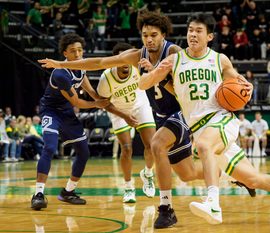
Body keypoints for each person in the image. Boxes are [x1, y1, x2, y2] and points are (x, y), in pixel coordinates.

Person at [38, 12, 217, 228]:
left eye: (154, 35)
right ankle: (225, 170)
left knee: (156, 144)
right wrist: (60, 64)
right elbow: (100, 62)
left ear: (163, 35)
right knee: (187, 174)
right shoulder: (137, 55)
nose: (149, 40)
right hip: (161, 116)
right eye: (144, 35)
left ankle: (166, 209)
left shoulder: (174, 52)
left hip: (181, 113)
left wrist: (157, 75)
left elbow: (186, 88)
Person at [138, 13, 270, 225]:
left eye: (198, 31)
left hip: (221, 119)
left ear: (210, 36)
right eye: (190, 30)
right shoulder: (174, 60)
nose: (193, 35)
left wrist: (246, 88)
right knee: (253, 179)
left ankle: (213, 203)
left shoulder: (219, 59)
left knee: (204, 146)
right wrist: (155, 72)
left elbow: (238, 82)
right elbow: (143, 85)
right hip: (199, 127)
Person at [31, 33, 135, 211]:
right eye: (73, 51)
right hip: (51, 111)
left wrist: (103, 100)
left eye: (80, 50)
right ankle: (38, 194)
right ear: (65, 53)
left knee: (84, 152)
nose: (78, 54)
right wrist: (98, 103)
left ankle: (68, 191)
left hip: (67, 114)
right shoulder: (60, 74)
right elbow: (77, 102)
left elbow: (89, 89)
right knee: (49, 146)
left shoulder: (82, 67)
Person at [97, 42, 156, 203]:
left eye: (128, 60)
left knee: (152, 146)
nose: (126, 64)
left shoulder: (138, 67)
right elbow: (104, 103)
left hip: (139, 105)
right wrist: (124, 115)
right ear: (115, 61)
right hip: (118, 111)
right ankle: (129, 187)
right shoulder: (106, 79)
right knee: (126, 148)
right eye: (121, 60)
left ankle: (148, 173)